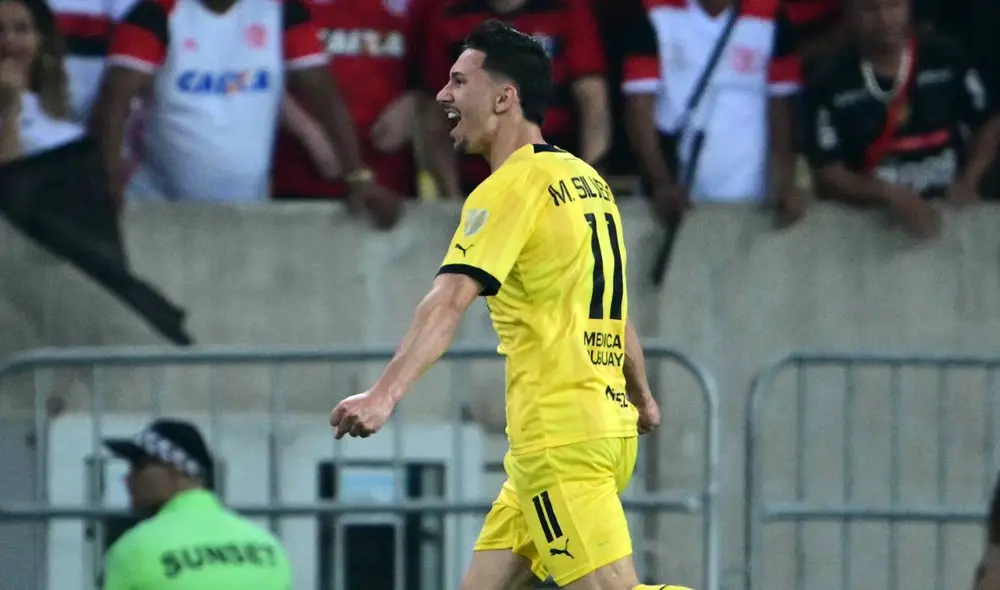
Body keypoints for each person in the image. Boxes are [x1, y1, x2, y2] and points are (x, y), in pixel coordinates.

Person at [330, 19, 687, 590]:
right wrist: (642, 397)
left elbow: (448, 300)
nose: (444, 96)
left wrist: (383, 394)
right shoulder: (586, 182)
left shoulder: (507, 188)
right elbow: (611, 314)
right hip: (590, 430)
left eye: (458, 82)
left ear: (503, 97)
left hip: (560, 439)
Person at [89, 0, 396, 221]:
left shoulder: (281, 11)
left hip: (248, 211)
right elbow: (113, 100)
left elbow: (324, 93)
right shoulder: (154, 13)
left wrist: (358, 177)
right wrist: (107, 179)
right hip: (159, 207)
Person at [801, 0, 1000, 238]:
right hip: (867, 231)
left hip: (950, 215)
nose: (884, 19)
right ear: (850, 15)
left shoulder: (946, 58)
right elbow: (827, 171)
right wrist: (888, 194)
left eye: (893, 6)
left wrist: (970, 180)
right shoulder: (828, 81)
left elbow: (988, 123)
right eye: (871, 10)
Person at [100, 419, 292, 590]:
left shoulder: (134, 549)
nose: (128, 479)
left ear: (177, 468)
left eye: (139, 466)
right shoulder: (269, 547)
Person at [0, 0, 82, 162]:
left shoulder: (67, 138)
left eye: (21, 29)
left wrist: (11, 108)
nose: (8, 40)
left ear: (41, 39)